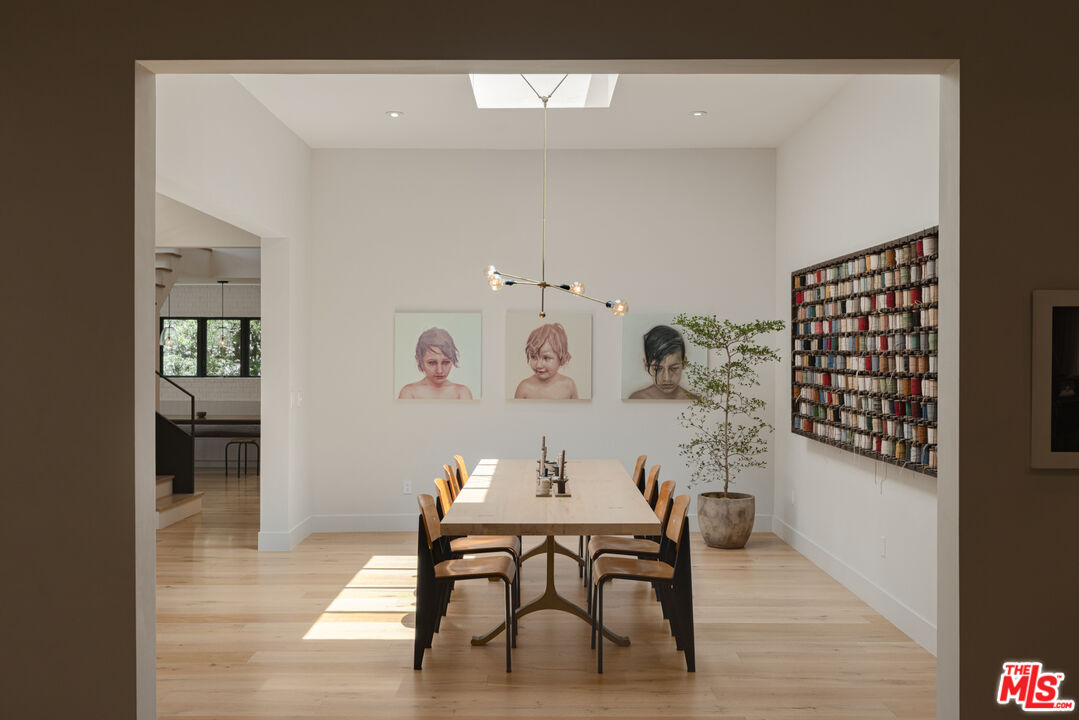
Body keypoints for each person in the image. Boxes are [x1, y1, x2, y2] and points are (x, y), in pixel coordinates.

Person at [398, 327, 474, 399]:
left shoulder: (462, 393)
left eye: (445, 362)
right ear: (418, 360)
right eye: (432, 363)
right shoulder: (409, 393)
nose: (439, 371)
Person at [514, 322, 579, 399]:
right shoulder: (524, 388)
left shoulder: (569, 385)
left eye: (546, 358)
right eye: (534, 357)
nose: (539, 365)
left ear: (561, 357)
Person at [628, 324, 693, 400]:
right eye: (657, 369)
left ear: (684, 363)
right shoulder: (636, 399)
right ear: (646, 365)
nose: (667, 378)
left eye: (674, 368)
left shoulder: (695, 401)